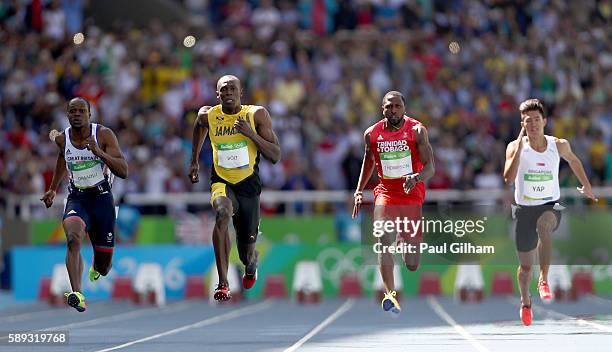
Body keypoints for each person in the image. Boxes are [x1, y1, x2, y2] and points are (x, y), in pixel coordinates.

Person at [503, 98, 597, 326]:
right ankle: (526, 302)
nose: (533, 124)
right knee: (525, 268)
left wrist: (586, 185)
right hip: (525, 209)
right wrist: (518, 145)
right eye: (528, 121)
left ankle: (544, 279)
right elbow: (508, 178)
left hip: (550, 205)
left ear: (544, 121)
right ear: (523, 124)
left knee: (544, 225)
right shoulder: (515, 147)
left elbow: (574, 161)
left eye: (537, 120)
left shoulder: (558, 144)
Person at [189, 75, 280, 301]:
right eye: (224, 89)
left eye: (232, 89)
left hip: (248, 185)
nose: (228, 92)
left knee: (245, 251)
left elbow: (275, 155)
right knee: (221, 214)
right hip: (222, 181)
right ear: (217, 95)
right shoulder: (208, 115)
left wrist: (250, 133)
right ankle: (223, 282)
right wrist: (194, 160)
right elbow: (199, 127)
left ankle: (251, 265)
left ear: (241, 93)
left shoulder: (255, 114)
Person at [41, 97, 128, 312]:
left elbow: (123, 171)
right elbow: (63, 158)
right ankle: (77, 293)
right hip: (77, 199)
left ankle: (97, 267)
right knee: (72, 238)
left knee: (105, 266)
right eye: (73, 111)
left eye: (82, 111)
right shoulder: (63, 139)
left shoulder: (104, 134)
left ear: (90, 114)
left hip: (102, 200)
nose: (77, 114)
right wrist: (53, 188)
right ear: (68, 115)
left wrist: (99, 152)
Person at [352, 91, 435, 314]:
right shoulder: (372, 134)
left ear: (404, 108)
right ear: (383, 109)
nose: (394, 110)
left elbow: (430, 168)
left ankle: (403, 239)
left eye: (398, 106)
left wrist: (415, 177)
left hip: (411, 194)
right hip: (386, 193)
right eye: (389, 107)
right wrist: (359, 190)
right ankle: (390, 294)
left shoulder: (417, 131)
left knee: (412, 263)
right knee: (382, 236)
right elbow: (368, 161)